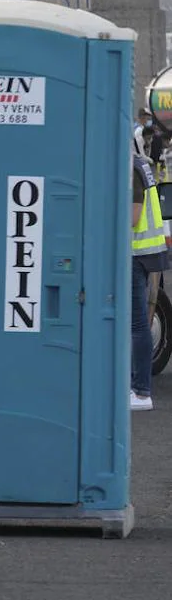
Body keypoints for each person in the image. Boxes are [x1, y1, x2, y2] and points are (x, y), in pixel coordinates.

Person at [131, 142, 168, 411]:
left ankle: (141, 391)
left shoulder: (130, 168)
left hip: (135, 253)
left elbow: (133, 216)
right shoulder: (141, 162)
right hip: (145, 252)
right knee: (136, 323)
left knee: (136, 324)